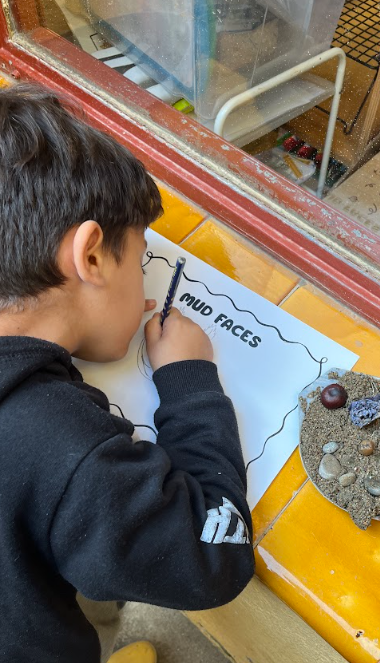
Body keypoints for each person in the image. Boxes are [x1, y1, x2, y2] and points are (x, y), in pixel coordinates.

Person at [0, 83, 255, 663]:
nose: (145, 289)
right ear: (90, 256)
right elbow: (214, 556)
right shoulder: (69, 453)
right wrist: (189, 381)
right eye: (141, 262)